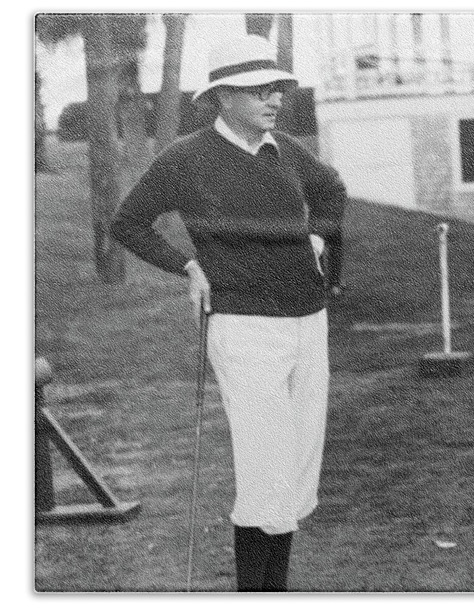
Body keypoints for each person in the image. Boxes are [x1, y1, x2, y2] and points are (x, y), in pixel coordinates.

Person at [111, 33, 347, 592]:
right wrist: (187, 266)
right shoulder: (187, 158)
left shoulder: (286, 149)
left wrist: (318, 239)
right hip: (244, 329)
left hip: (308, 322)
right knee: (265, 471)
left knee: (293, 472)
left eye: (277, 89)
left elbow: (331, 189)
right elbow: (128, 221)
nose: (274, 99)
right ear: (222, 98)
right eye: (257, 90)